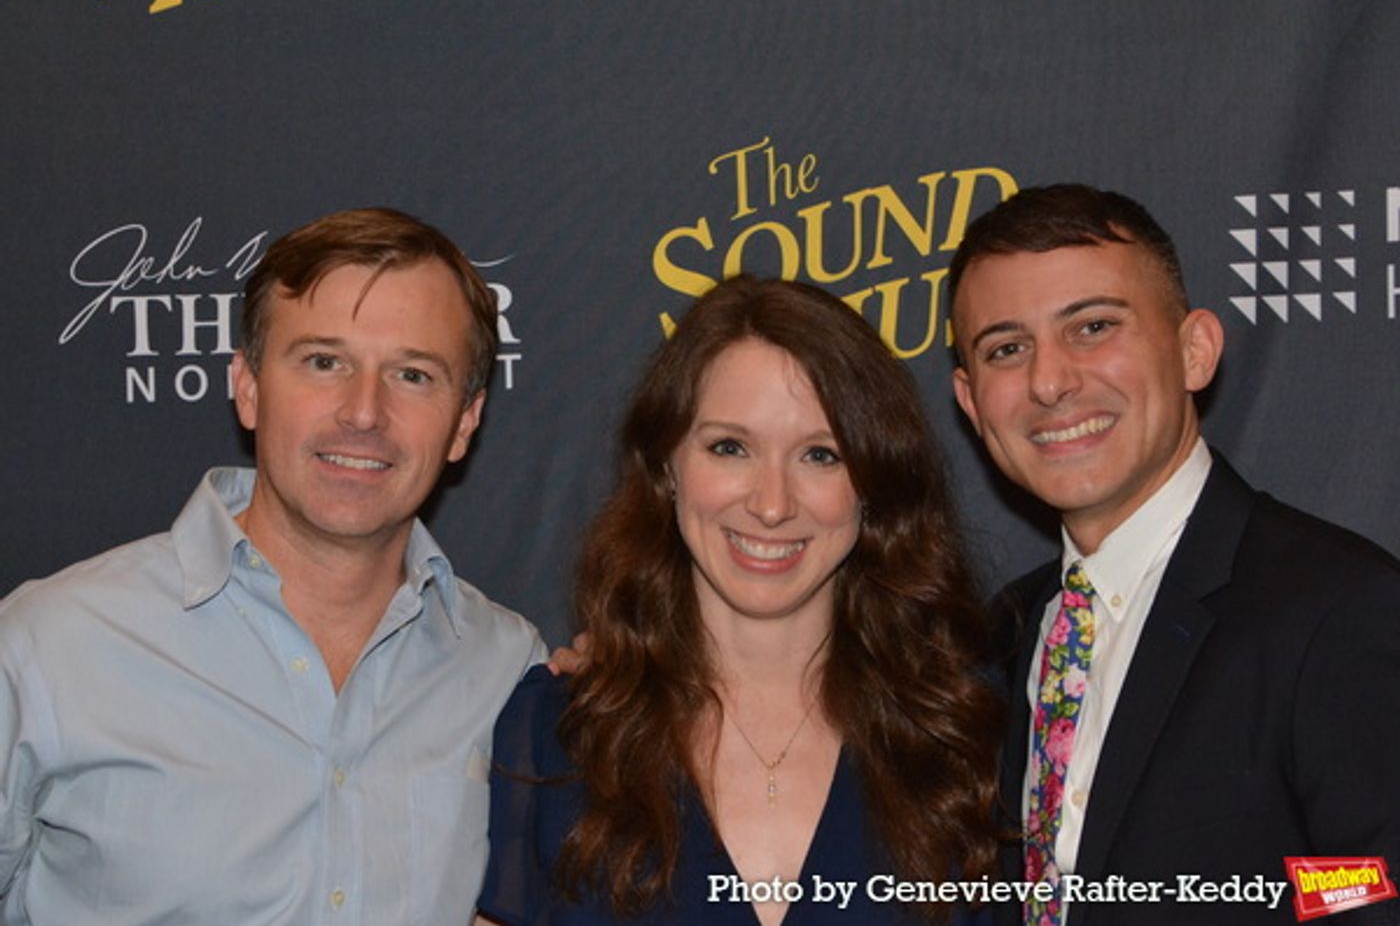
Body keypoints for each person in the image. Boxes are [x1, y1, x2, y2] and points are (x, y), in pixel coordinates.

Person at [0, 208, 545, 924]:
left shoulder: (511, 671)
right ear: (249, 387)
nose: (364, 412)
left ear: (464, 422)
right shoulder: (47, 645)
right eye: (324, 362)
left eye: (413, 374)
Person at [477, 276, 1003, 925]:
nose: (772, 504)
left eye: (821, 454)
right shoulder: (555, 732)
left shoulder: (969, 734)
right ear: (666, 466)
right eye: (730, 447)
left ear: (873, 483)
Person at [947, 184, 1400, 926]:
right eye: (1007, 349)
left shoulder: (1336, 611)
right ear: (970, 400)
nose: (1050, 381)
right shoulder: (1000, 637)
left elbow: (1377, 890)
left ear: (1195, 351)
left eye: (1093, 327)